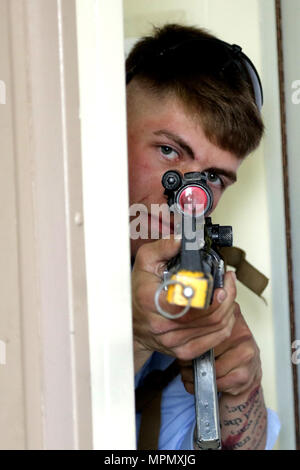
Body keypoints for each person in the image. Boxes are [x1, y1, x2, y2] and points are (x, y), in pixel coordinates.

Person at [126, 23, 280, 450]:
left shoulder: (188, 283)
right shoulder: (29, 244)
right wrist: (132, 337)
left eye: (212, 177)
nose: (186, 196)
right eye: (169, 151)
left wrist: (239, 390)